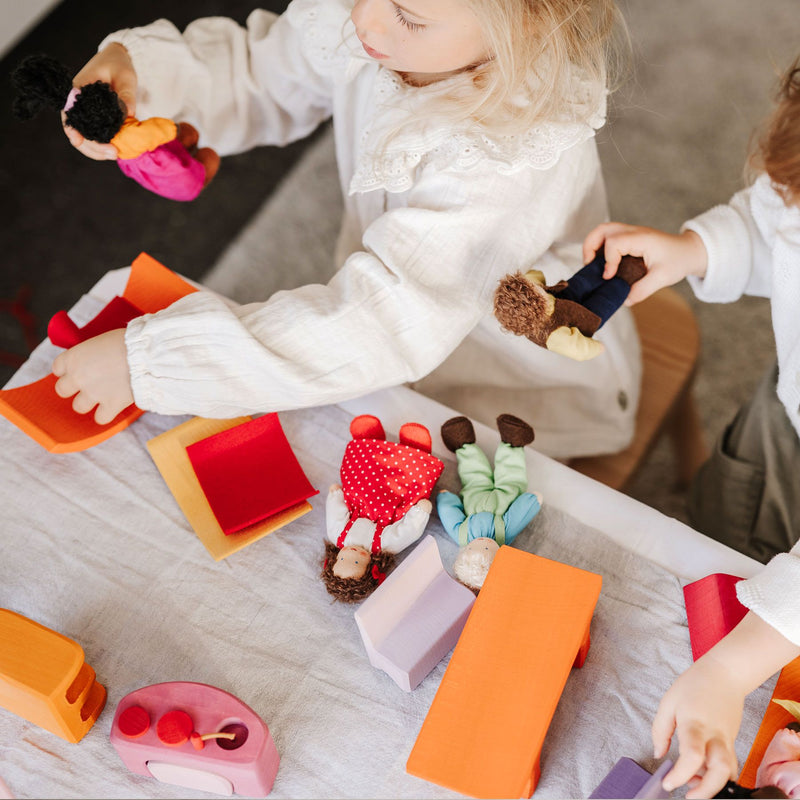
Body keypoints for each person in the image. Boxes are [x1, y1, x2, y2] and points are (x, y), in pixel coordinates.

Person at [48, 0, 641, 462]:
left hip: (507, 391)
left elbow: (381, 324)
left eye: (409, 15)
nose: (363, 20)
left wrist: (154, 364)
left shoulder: (509, 157)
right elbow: (259, 73)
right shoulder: (383, 19)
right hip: (376, 331)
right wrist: (145, 78)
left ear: (531, 23)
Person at [583, 55, 800, 799]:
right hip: (791, 428)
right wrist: (695, 251)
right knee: (720, 538)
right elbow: (770, 223)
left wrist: (734, 669)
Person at [436, 413, 542, 590]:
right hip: (504, 497)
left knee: (473, 475)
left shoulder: (461, 535)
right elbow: (517, 516)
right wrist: (531, 501)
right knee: (511, 478)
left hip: (474, 494)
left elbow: (450, 516)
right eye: (487, 551)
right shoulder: (503, 535)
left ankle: (463, 445)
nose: (484, 543)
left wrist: (446, 498)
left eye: (475, 549)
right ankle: (513, 444)